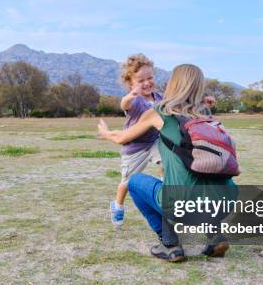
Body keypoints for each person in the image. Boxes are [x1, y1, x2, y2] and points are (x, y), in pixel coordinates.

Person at [99, 64, 237, 262]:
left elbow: (123, 138)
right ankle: (215, 237)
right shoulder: (206, 113)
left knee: (135, 182)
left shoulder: (159, 112)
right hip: (225, 200)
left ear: (173, 83)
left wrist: (105, 133)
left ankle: (170, 244)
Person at [110, 54, 163, 228]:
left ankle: (166, 186)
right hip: (135, 148)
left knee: (167, 160)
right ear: (131, 84)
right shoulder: (134, 100)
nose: (147, 83)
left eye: (150, 78)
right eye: (141, 80)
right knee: (127, 181)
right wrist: (127, 99)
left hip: (155, 142)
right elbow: (124, 106)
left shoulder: (159, 98)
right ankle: (118, 205)